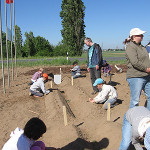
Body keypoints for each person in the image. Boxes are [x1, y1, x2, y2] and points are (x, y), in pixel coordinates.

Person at [119, 28, 150, 149]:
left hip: (147, 76)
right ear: (133, 36)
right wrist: (147, 69)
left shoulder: (142, 47)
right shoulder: (131, 47)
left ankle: (146, 118)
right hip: (136, 76)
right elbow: (135, 62)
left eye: (142, 35)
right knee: (135, 101)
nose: (142, 37)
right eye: (140, 35)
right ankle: (132, 122)